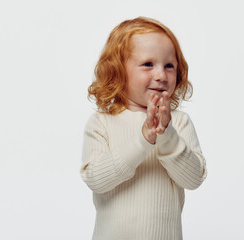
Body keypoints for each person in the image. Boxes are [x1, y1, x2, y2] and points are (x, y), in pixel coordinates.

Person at [80, 16, 207, 240]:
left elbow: (194, 178)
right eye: (148, 64)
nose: (160, 75)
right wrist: (143, 140)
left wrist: (166, 135)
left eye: (169, 66)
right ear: (118, 71)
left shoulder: (178, 122)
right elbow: (95, 180)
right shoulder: (102, 123)